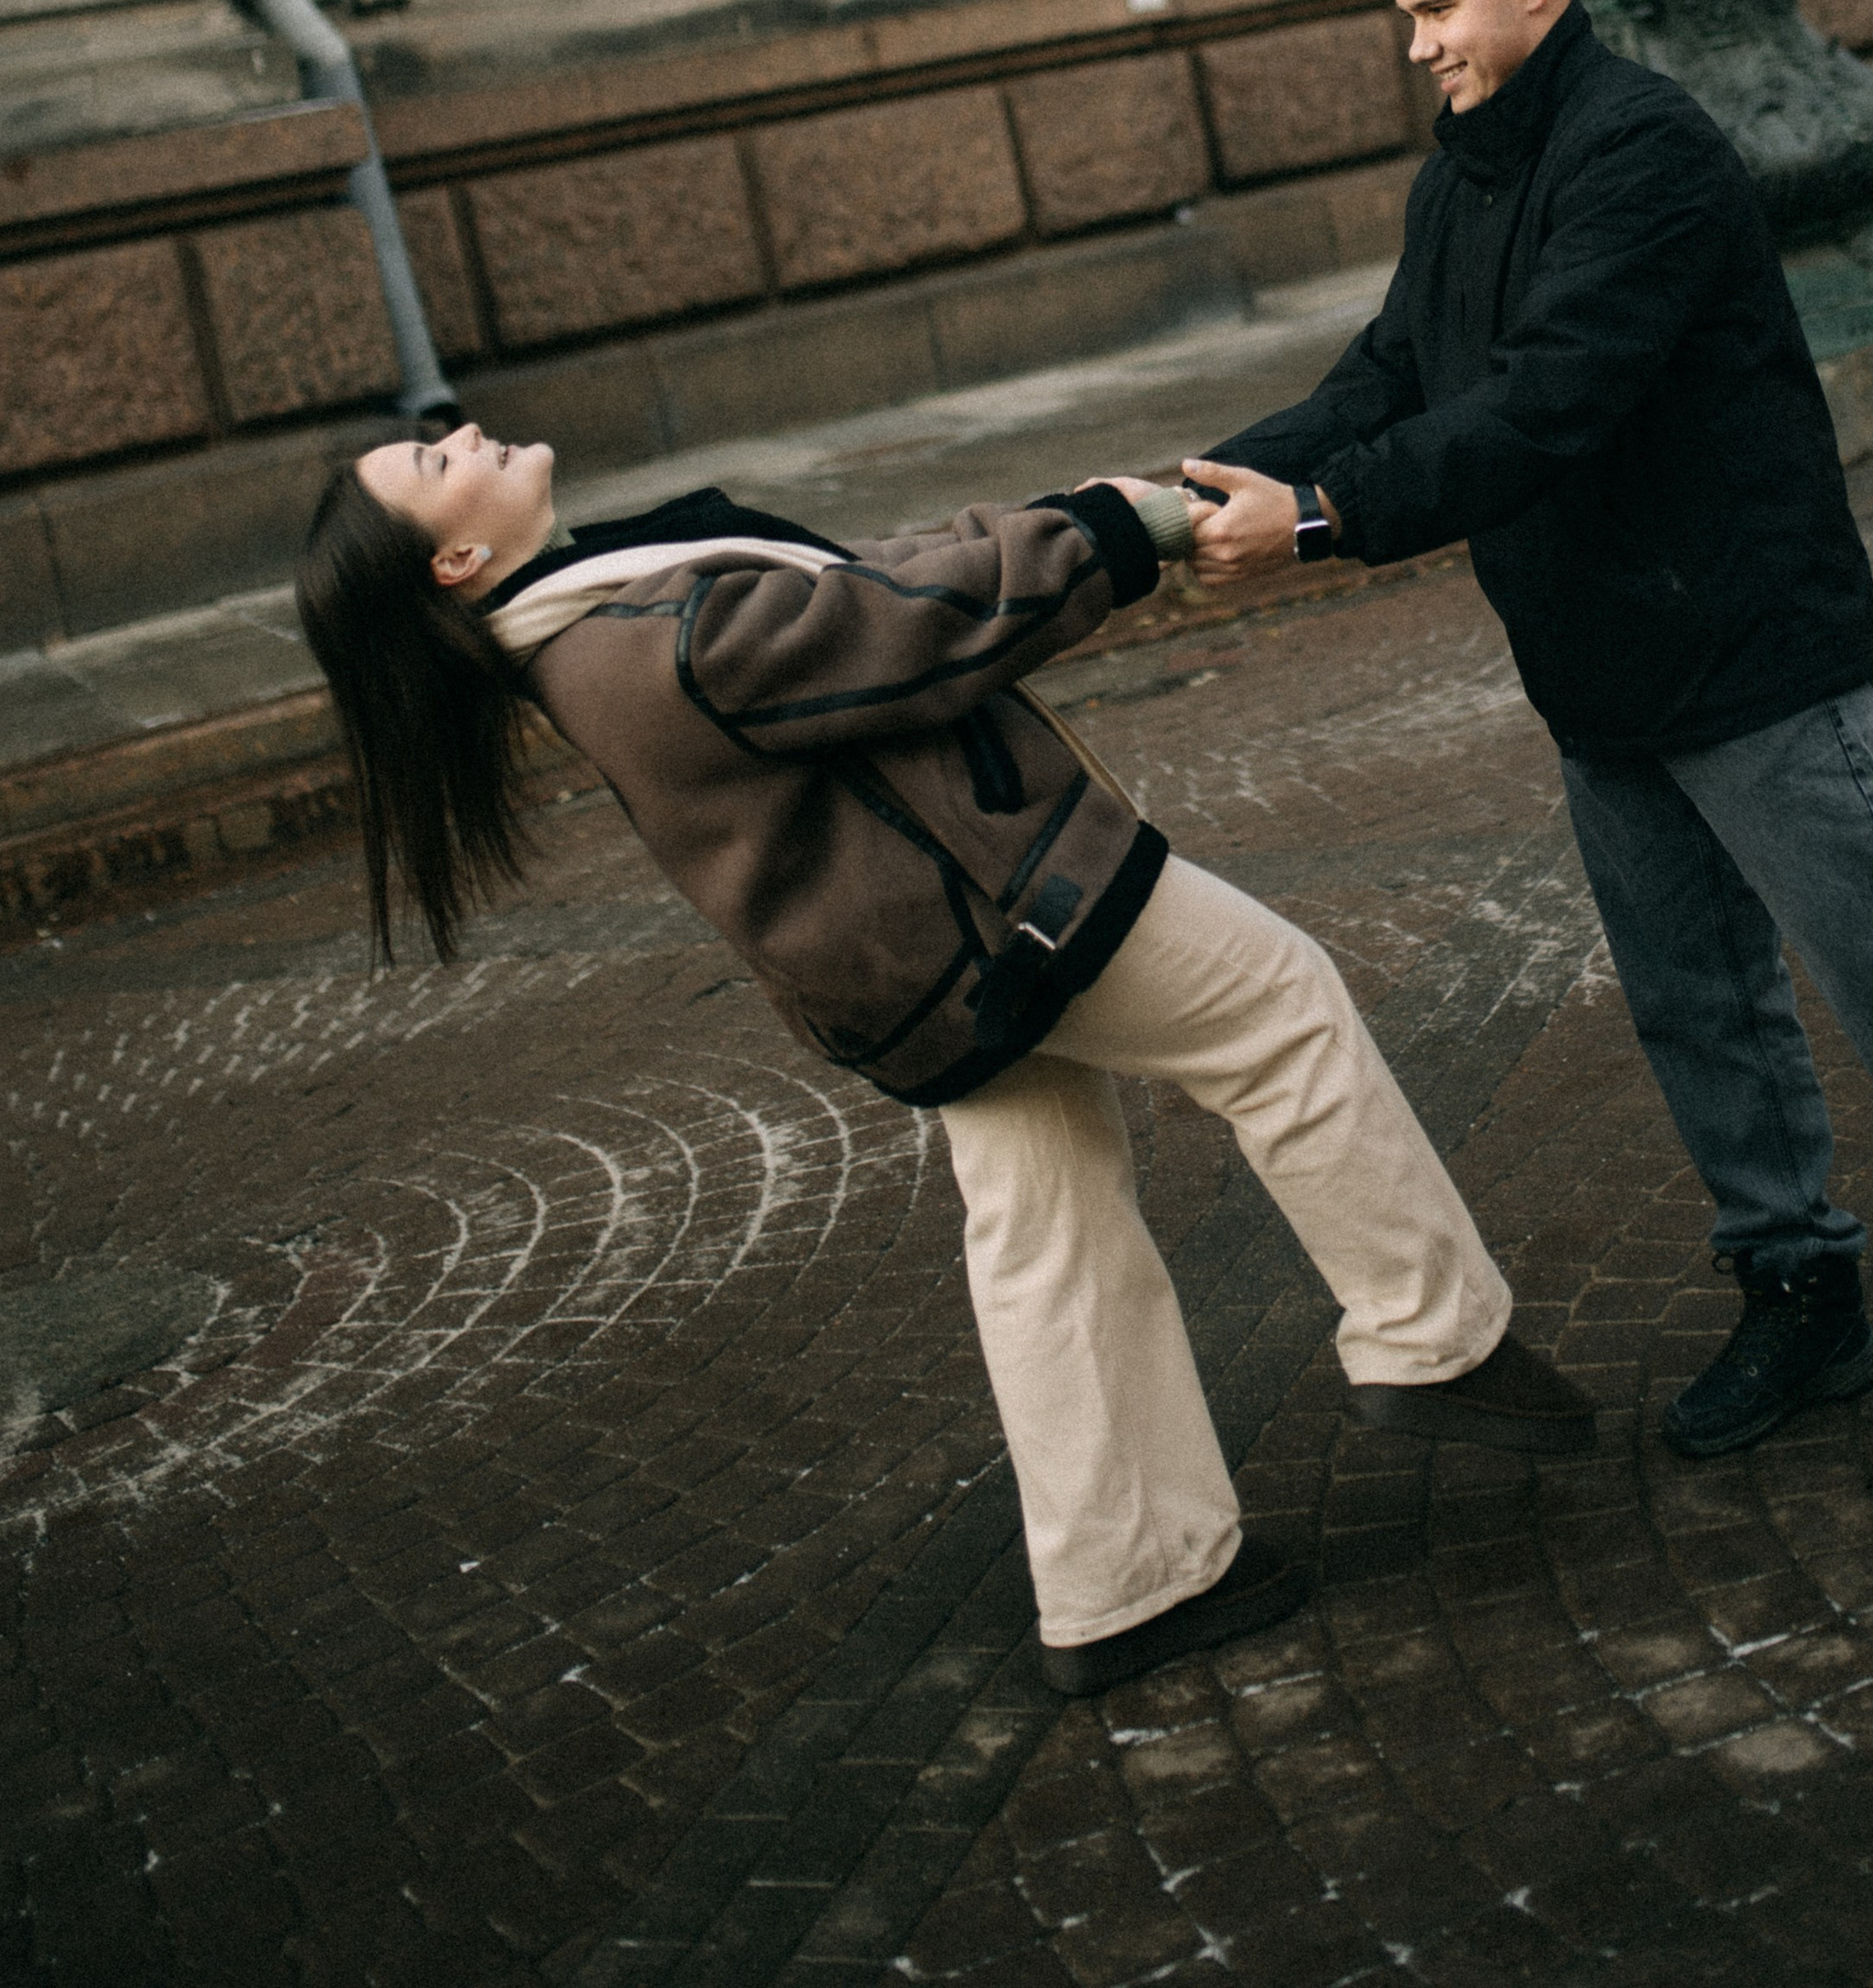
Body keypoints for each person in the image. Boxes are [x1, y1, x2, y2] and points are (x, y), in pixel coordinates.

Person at [295, 431, 1595, 1697]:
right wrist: (1103, 536)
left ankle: (1129, 1580)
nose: (462, 432)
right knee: (1280, 1007)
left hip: (926, 965)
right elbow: (899, 625)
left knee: (1048, 1224)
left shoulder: (598, 613)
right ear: (457, 563)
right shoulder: (639, 644)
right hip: (1004, 917)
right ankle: (1432, 1339)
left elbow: (864, 582)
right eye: (433, 465)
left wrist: (1063, 514)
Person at [1182, 0, 1873, 1491]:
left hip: (1750, 652)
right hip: (1602, 669)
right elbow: (1389, 375)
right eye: (1405, 17)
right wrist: (1198, 486)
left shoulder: (1643, 148)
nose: (1418, 44)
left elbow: (1549, 401)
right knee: (1696, 1004)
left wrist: (1321, 517)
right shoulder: (1461, 177)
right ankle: (1801, 1292)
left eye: (1435, 9)